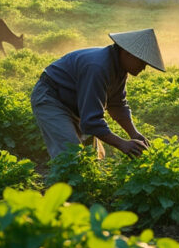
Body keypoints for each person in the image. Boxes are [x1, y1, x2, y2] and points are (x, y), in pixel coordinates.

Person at [30, 28, 165, 159]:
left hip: (74, 103)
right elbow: (91, 122)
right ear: (127, 53)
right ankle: (64, 180)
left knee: (93, 155)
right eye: (142, 62)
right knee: (70, 154)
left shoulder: (119, 68)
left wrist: (134, 134)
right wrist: (122, 144)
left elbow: (117, 104)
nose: (143, 67)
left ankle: (84, 181)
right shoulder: (98, 67)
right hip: (52, 98)